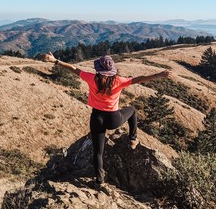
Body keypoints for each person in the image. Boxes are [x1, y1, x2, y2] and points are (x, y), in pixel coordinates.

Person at [44, 52, 172, 186]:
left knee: (98, 152)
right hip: (113, 119)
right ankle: (133, 139)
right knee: (133, 110)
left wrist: (55, 61)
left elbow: (73, 69)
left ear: (99, 68)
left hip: (96, 118)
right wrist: (159, 75)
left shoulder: (92, 78)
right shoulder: (118, 81)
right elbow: (139, 79)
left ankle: (99, 181)